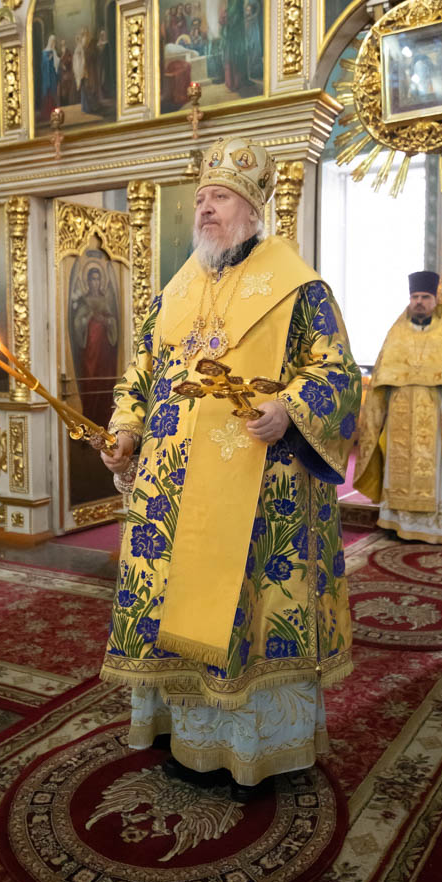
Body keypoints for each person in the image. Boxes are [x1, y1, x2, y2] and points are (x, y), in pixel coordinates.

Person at [100, 136, 361, 798]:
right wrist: (126, 429)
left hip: (259, 485)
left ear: (250, 209)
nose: (205, 208)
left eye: (219, 197)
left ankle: (254, 751)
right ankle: (188, 740)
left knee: (247, 612)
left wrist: (289, 408)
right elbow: (141, 370)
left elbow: (336, 372)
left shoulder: (298, 288)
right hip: (173, 489)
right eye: (201, 199)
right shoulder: (177, 288)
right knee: (176, 604)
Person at [354, 271, 442, 544]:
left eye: (425, 297)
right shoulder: (395, 333)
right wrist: (379, 413)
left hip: (435, 411)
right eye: (415, 297)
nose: (419, 302)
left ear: (435, 300)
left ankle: (434, 528)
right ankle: (396, 522)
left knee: (431, 468)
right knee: (397, 466)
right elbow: (382, 376)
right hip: (399, 412)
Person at [71, 263, 119, 426]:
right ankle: (88, 420)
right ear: (88, 282)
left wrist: (106, 321)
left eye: (98, 279)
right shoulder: (83, 302)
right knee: (91, 382)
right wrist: (88, 318)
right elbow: (77, 323)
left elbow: (113, 321)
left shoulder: (105, 300)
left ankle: (106, 421)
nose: (95, 283)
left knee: (105, 383)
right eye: (92, 279)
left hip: (105, 351)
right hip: (90, 350)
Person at [40, 34, 59, 121]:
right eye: (52, 41)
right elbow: (43, 65)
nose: (53, 43)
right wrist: (48, 59)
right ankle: (46, 115)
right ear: (49, 41)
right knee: (46, 95)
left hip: (52, 76)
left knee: (53, 94)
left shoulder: (54, 52)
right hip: (46, 76)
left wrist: (55, 58)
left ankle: (54, 114)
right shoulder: (44, 52)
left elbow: (57, 64)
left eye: (54, 41)